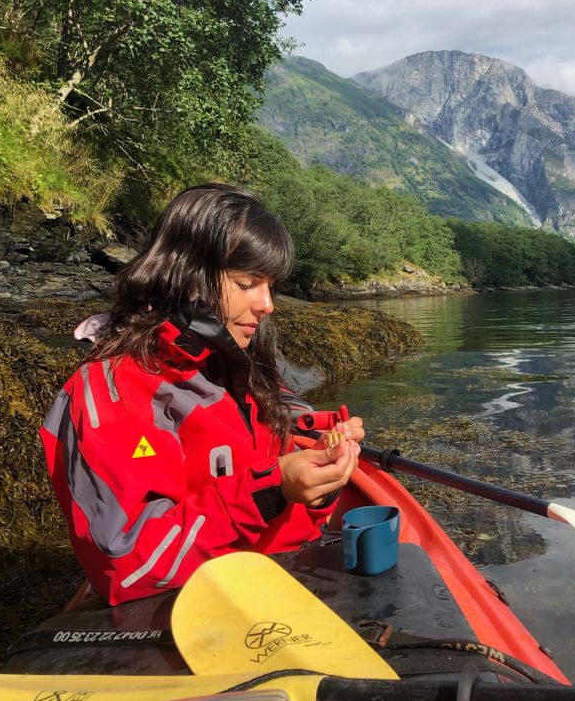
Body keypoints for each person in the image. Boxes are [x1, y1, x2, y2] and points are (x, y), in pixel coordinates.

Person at [41, 184, 364, 605]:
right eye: (247, 282)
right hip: (193, 613)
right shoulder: (112, 392)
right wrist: (272, 491)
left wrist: (322, 460)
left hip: (274, 585)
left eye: (270, 285)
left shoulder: (231, 361)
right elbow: (129, 564)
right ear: (185, 275)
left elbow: (273, 438)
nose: (267, 304)